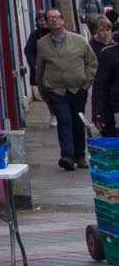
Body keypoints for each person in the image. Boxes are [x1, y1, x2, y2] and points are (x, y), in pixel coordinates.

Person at [35, 10, 97, 170]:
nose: (54, 21)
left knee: (77, 122)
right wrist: (43, 87)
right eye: (50, 19)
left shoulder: (79, 40)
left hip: (78, 89)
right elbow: (40, 68)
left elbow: (91, 62)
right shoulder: (42, 44)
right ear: (47, 23)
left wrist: (87, 83)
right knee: (64, 121)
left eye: (56, 18)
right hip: (56, 90)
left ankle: (80, 156)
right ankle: (67, 156)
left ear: (63, 20)